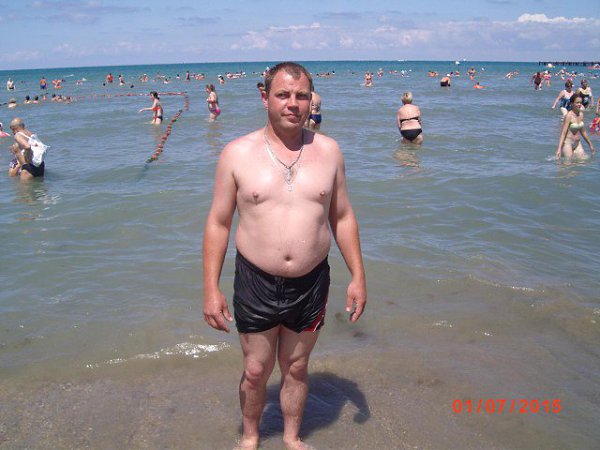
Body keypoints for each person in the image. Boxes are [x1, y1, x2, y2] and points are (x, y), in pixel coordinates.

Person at [202, 62, 367, 450]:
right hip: (256, 281)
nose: (293, 103)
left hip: (311, 282)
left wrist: (358, 276)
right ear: (265, 98)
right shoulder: (236, 154)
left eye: (301, 96)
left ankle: (292, 438)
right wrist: (210, 288)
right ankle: (250, 437)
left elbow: (342, 216)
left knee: (296, 367)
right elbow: (218, 224)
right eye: (283, 94)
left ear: (311, 100)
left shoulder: (329, 152)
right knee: (255, 369)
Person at [556, 93, 595, 160]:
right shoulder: (568, 116)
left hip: (577, 143)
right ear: (572, 103)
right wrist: (559, 149)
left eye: (580, 102)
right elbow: (563, 133)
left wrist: (590, 145)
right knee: (568, 163)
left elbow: (583, 132)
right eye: (577, 102)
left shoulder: (581, 114)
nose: (579, 104)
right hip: (568, 143)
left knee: (583, 161)